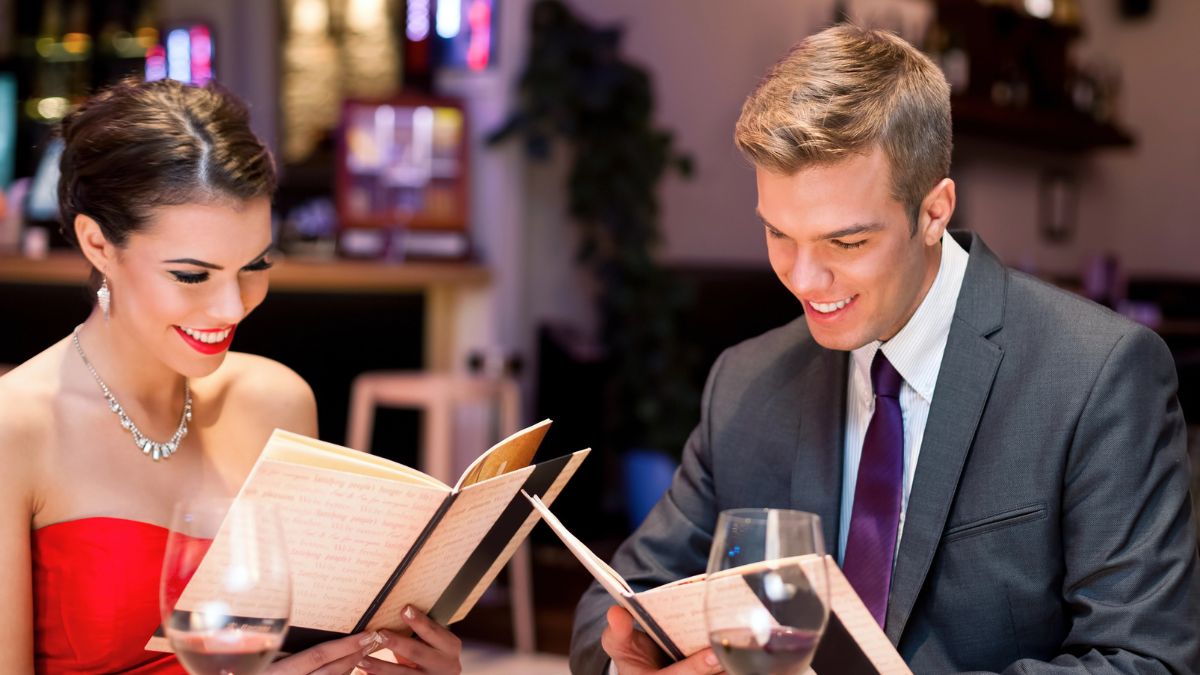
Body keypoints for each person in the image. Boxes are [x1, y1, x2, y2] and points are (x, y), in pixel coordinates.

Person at [570, 24, 1200, 675]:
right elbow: (611, 605)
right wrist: (634, 664)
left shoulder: (1097, 375)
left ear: (934, 212)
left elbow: (1146, 661)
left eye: (846, 243)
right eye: (779, 233)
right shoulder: (746, 381)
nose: (805, 280)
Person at [0, 78, 462, 675]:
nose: (231, 308)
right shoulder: (16, 428)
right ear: (97, 244)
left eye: (255, 266)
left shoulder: (277, 402)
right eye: (192, 275)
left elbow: (309, 652)